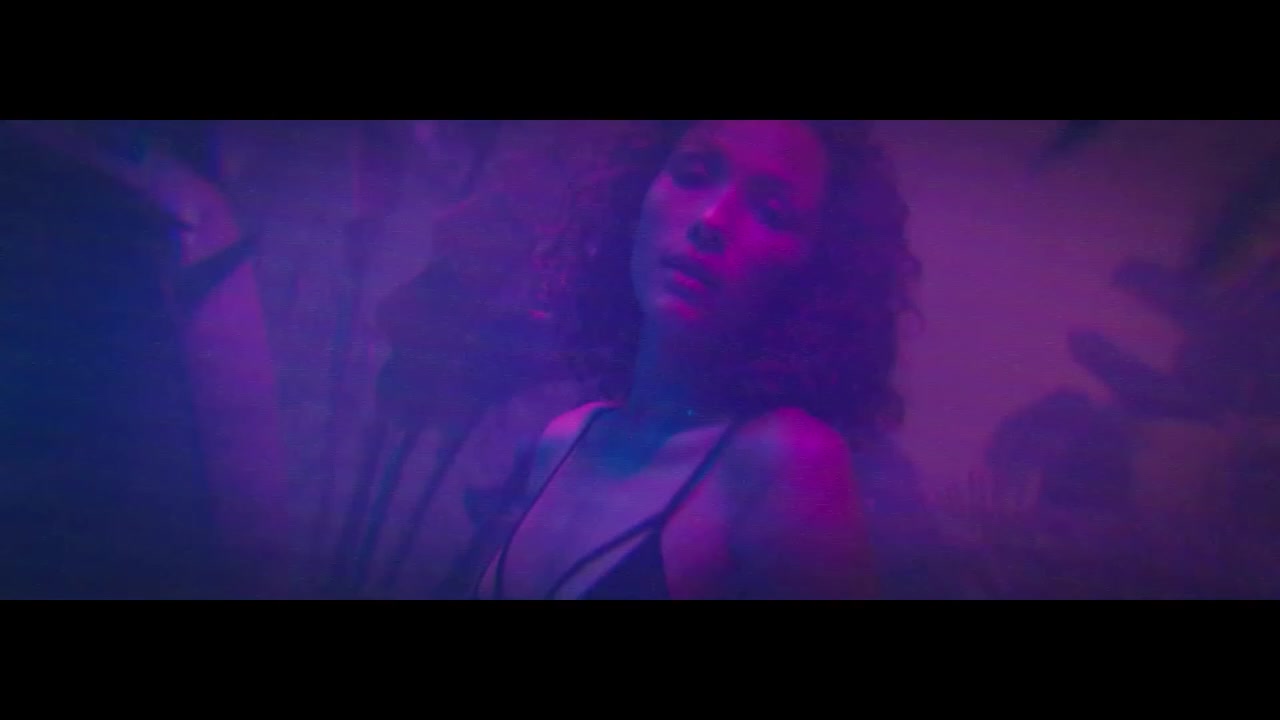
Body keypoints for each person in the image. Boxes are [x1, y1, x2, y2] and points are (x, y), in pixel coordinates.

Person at [469, 120, 919, 600]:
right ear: (636, 197)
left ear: (817, 269)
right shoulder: (564, 439)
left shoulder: (787, 462)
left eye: (771, 210)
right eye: (693, 174)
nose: (712, 219)